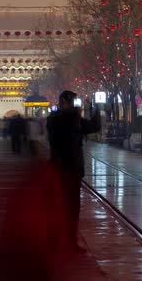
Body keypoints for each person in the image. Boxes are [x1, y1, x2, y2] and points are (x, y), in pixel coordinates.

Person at [47, 90, 100, 253]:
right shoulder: (74, 119)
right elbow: (93, 127)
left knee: (57, 205)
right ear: (66, 102)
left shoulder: (52, 119)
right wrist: (95, 108)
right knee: (72, 207)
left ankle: (55, 240)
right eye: (73, 102)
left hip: (57, 167)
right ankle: (70, 240)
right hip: (72, 168)